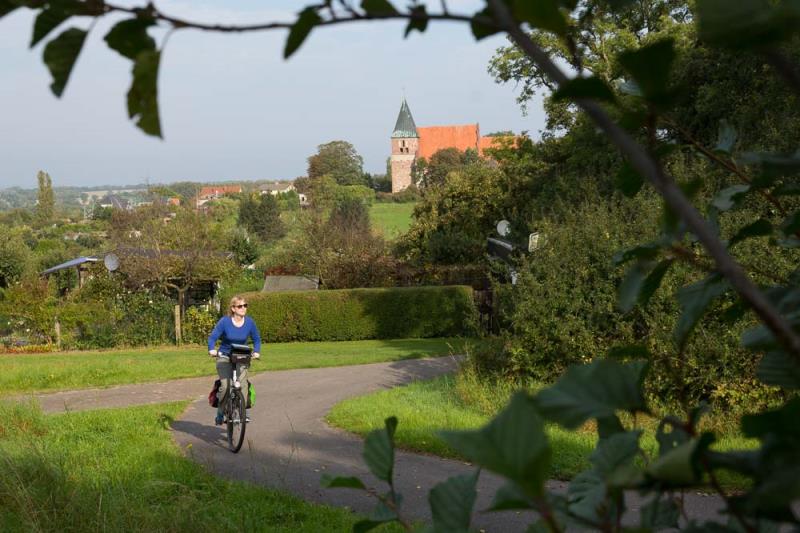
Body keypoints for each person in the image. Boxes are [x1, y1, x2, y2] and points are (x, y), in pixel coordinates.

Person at [208, 295, 261, 425]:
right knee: (225, 387)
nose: (243, 308)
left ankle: (242, 411)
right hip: (225, 356)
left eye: (245, 305)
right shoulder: (224, 322)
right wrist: (212, 349)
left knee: (242, 385)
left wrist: (256, 351)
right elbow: (212, 337)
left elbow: (257, 339)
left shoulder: (250, 322)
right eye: (240, 306)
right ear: (233, 308)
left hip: (242, 356)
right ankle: (220, 412)